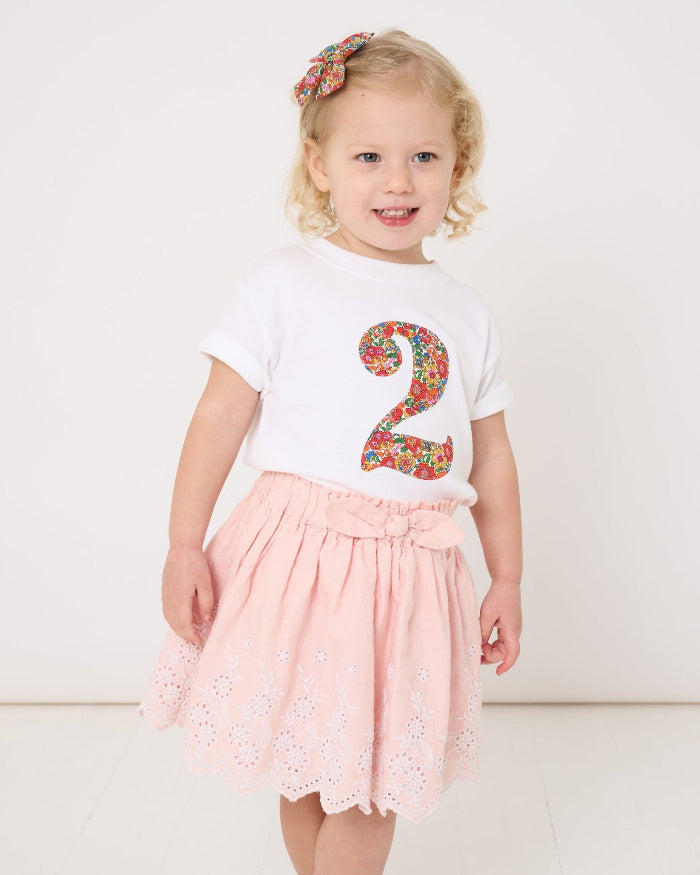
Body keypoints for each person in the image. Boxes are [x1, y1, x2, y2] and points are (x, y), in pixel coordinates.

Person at [138, 28, 523, 875]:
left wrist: (507, 575)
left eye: (424, 154)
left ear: (458, 166)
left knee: (372, 783)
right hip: (298, 561)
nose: (397, 180)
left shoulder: (467, 312)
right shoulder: (282, 281)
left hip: (411, 576)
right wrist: (182, 541)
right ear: (319, 164)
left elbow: (490, 459)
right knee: (313, 770)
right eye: (369, 156)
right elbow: (217, 417)